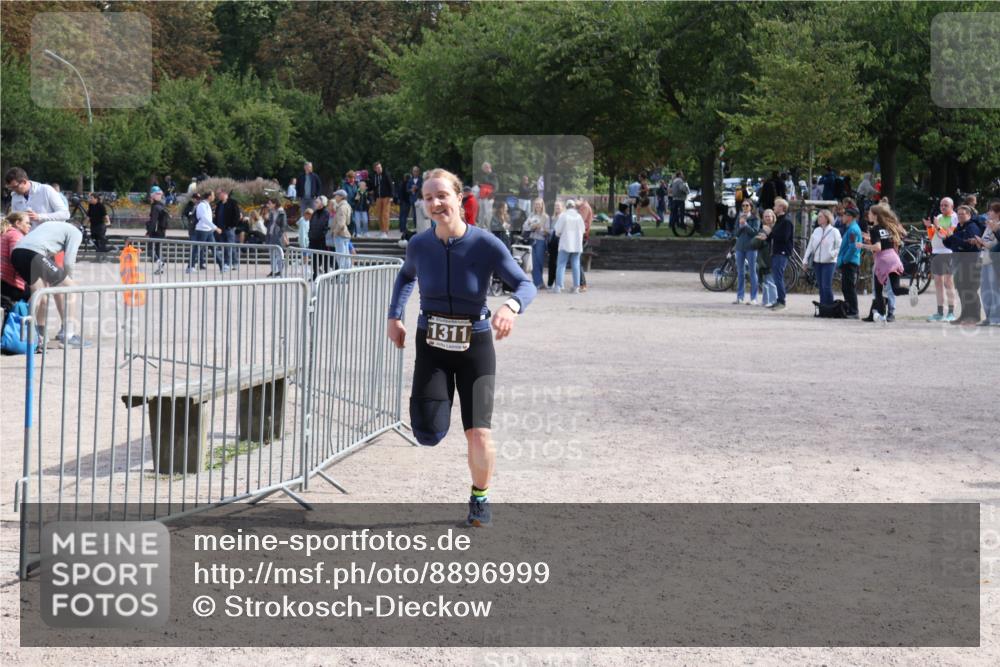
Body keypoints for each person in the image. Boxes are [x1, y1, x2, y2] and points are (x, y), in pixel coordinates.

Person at [386, 168, 536, 527]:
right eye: (428, 198)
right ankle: (437, 414)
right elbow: (406, 276)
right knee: (428, 433)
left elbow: (525, 284)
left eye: (442, 196)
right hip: (432, 343)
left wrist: (510, 307)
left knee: (479, 430)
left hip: (475, 345)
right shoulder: (419, 245)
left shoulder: (485, 244)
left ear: (459, 199)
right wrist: (394, 316)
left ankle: (480, 496)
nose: (436, 203)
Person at [9, 221, 87, 347]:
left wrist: (57, 278)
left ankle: (36, 333)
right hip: (34, 253)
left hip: (17, 252)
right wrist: (68, 280)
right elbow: (68, 261)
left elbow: (46, 257)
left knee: (40, 294)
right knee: (72, 288)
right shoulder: (76, 232)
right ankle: (69, 335)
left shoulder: (52, 225)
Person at [858, 204, 905, 323]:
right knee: (895, 289)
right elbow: (884, 241)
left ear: (875, 216)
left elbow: (878, 247)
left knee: (878, 290)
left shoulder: (874, 229)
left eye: (869, 213)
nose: (868, 215)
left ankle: (882, 315)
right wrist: (870, 238)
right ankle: (912, 290)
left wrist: (863, 245)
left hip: (882, 260)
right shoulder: (888, 227)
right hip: (894, 258)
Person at [943, 204, 985, 325]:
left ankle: (975, 316)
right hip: (960, 262)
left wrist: (952, 237)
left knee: (970, 289)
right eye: (959, 214)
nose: (960, 216)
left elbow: (968, 245)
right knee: (961, 289)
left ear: (969, 215)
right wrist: (946, 238)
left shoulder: (972, 227)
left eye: (963, 214)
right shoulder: (959, 227)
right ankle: (964, 315)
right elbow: (952, 244)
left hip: (972, 262)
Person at [922, 197, 959, 321]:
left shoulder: (954, 218)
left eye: (945, 205)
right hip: (936, 252)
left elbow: (947, 235)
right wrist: (929, 227)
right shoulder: (938, 217)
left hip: (948, 253)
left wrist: (937, 227)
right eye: (941, 205)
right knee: (937, 282)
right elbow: (932, 236)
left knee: (948, 283)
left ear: (952, 207)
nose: (943, 207)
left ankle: (951, 312)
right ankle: (939, 312)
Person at [4, 167, 70, 230]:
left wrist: (39, 217)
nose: (13, 190)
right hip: (28, 239)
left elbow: (65, 214)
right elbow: (15, 221)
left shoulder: (46, 190)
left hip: (50, 237)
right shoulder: (15, 197)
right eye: (10, 188)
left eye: (15, 187)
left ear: (24, 182)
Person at [802, 209, 842, 306]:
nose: (818, 218)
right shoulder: (816, 231)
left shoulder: (834, 231)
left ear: (827, 218)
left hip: (829, 263)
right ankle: (823, 307)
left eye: (820, 216)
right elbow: (810, 247)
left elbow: (839, 247)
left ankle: (830, 307)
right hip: (817, 263)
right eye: (818, 216)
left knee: (826, 286)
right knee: (820, 286)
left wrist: (831, 254)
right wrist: (805, 260)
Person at [970, 201, 1000, 326]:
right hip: (985, 258)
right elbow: (986, 241)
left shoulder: (997, 225)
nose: (988, 213)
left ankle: (996, 317)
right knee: (985, 288)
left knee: (995, 288)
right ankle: (988, 316)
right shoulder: (989, 225)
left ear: (998, 213)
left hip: (995, 259)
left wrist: (983, 243)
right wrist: (979, 242)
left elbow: (994, 244)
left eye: (991, 211)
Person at [765, 198, 794, 310]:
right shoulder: (779, 220)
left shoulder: (786, 221)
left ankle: (782, 301)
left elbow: (784, 238)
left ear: (781, 207)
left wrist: (770, 233)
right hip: (776, 252)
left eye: (775, 206)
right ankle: (779, 300)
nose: (773, 208)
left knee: (778, 277)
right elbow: (773, 235)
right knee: (776, 277)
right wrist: (767, 237)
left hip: (782, 252)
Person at [553, 199, 586, 294]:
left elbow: (557, 230)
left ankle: (559, 286)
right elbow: (583, 230)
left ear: (566, 207)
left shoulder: (564, 216)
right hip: (577, 244)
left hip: (565, 243)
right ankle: (576, 287)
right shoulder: (579, 216)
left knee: (561, 264)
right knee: (575, 265)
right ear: (574, 206)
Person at [732, 200, 760, 305]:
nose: (744, 207)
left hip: (751, 248)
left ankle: (754, 298)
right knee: (740, 272)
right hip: (739, 248)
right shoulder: (739, 218)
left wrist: (746, 225)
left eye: (747, 205)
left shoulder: (755, 218)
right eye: (743, 205)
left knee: (752, 272)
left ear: (751, 207)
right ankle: (740, 297)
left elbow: (755, 232)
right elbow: (735, 233)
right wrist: (740, 226)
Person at [837, 206, 863, 317]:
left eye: (844, 215)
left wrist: (844, 260)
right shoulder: (851, 228)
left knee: (849, 288)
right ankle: (850, 309)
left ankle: (854, 311)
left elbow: (853, 247)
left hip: (849, 263)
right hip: (848, 262)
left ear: (850, 217)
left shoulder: (853, 230)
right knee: (845, 287)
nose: (842, 217)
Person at [1, 212, 32, 305]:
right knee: (39, 294)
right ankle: (31, 319)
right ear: (18, 223)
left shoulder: (4, 232)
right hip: (10, 282)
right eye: (27, 223)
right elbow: (16, 258)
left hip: (3, 279)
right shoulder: (16, 235)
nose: (29, 226)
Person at [186, 190, 220, 273]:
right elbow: (204, 218)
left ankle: (222, 265)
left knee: (213, 248)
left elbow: (208, 218)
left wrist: (212, 228)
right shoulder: (201, 205)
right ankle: (191, 266)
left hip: (208, 230)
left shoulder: (207, 205)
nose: (214, 197)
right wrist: (215, 227)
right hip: (201, 230)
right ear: (209, 196)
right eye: (213, 195)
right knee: (197, 249)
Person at [753, 209, 777, 307]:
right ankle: (765, 300)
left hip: (772, 257)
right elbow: (756, 244)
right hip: (762, 258)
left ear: (773, 217)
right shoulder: (761, 229)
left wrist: (767, 236)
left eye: (769, 216)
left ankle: (773, 301)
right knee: (764, 281)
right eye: (766, 216)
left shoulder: (776, 228)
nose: (767, 218)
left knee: (770, 280)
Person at [524, 198, 550, 289]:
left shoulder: (546, 217)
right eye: (536, 204)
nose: (537, 206)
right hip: (532, 239)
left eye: (539, 204)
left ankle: (538, 283)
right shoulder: (531, 215)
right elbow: (524, 226)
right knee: (533, 262)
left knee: (539, 262)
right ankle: (539, 283)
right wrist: (531, 226)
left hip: (540, 241)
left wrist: (540, 229)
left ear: (542, 205)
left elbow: (547, 231)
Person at [215, 189, 242, 269]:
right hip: (220, 228)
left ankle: (232, 263)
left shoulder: (232, 203)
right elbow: (217, 215)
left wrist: (233, 225)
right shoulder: (219, 204)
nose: (219, 196)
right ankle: (228, 262)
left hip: (229, 228)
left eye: (220, 194)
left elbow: (237, 215)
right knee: (224, 246)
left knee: (231, 246)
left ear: (224, 194)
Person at [367, 162, 394, 239]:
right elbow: (372, 186)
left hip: (386, 197)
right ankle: (381, 231)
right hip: (378, 197)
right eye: (377, 168)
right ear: (375, 169)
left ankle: (385, 231)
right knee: (379, 214)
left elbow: (391, 185)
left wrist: (391, 196)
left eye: (380, 167)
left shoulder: (386, 174)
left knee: (385, 214)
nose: (379, 169)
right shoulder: (374, 176)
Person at [146, 186, 169, 273]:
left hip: (155, 232)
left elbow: (153, 221)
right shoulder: (162, 205)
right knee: (159, 250)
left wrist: (148, 232)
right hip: (162, 231)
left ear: (152, 196)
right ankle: (160, 268)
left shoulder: (155, 207)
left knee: (150, 250)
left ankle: (160, 263)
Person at [328, 189, 353, 269]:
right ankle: (346, 276)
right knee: (346, 256)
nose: (335, 197)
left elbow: (341, 224)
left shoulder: (342, 208)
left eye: (336, 195)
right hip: (344, 234)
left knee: (341, 257)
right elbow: (348, 222)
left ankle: (342, 277)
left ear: (341, 197)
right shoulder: (347, 206)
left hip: (340, 234)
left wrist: (335, 232)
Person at [264, 198, 289, 277]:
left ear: (274, 204)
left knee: (279, 253)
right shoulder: (271, 212)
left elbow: (284, 225)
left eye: (270, 203)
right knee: (271, 254)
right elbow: (268, 224)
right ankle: (273, 270)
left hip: (277, 235)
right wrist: (266, 219)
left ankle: (280, 270)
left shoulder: (282, 213)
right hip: (271, 234)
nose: (268, 205)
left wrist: (280, 234)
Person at [308, 195, 331, 276]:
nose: (315, 203)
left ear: (322, 203)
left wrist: (322, 235)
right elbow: (311, 225)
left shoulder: (326, 213)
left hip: (322, 240)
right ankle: (315, 274)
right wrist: (310, 235)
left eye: (317, 202)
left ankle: (326, 274)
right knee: (314, 258)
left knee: (324, 258)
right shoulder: (314, 213)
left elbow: (326, 226)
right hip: (314, 239)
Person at [576, 197, 594, 291]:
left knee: (577, 261)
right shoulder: (582, 207)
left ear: (581, 200)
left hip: (582, 237)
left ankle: (582, 284)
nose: (575, 203)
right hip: (582, 236)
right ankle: (580, 284)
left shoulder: (584, 207)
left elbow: (580, 222)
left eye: (576, 201)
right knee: (576, 261)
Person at [400, 166, 422, 239]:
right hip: (412, 199)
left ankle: (419, 227)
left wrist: (417, 188)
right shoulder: (410, 180)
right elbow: (407, 189)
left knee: (418, 215)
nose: (415, 172)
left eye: (416, 171)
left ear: (418, 172)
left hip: (420, 199)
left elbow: (423, 188)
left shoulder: (421, 179)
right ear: (412, 172)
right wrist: (411, 189)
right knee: (414, 215)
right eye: (414, 171)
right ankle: (415, 227)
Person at [546, 200, 564, 288]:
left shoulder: (563, 217)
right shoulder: (553, 217)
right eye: (556, 206)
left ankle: (558, 283)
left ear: (562, 207)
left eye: (558, 206)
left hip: (559, 242)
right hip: (552, 242)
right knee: (552, 263)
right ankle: (550, 282)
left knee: (557, 263)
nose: (557, 208)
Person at [476, 162, 499, 229]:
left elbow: (496, 186)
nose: (483, 170)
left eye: (484, 168)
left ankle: (490, 229)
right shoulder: (483, 175)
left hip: (489, 197)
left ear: (488, 167)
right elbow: (480, 184)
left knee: (488, 214)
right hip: (482, 196)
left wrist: (491, 195)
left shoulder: (493, 175)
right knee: (481, 214)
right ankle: (480, 228)